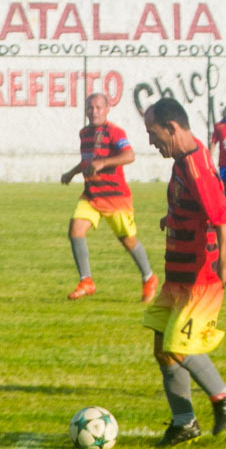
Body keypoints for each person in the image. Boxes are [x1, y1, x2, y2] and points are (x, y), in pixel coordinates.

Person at [142, 97, 226, 446]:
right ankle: (185, 423)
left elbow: (221, 216)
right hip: (178, 277)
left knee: (178, 345)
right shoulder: (184, 160)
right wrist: (172, 218)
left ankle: (222, 396)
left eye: (153, 134)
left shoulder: (196, 165)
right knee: (162, 346)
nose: (151, 142)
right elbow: (195, 207)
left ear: (172, 128)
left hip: (200, 279)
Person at [61, 93, 157, 302]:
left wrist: (104, 163)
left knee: (128, 241)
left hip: (116, 198)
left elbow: (129, 155)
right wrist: (71, 172)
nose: (93, 111)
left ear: (107, 109)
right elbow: (87, 161)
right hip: (92, 196)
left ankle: (149, 277)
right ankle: (86, 280)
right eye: (90, 107)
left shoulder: (115, 132)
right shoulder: (84, 133)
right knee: (75, 230)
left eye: (98, 107)